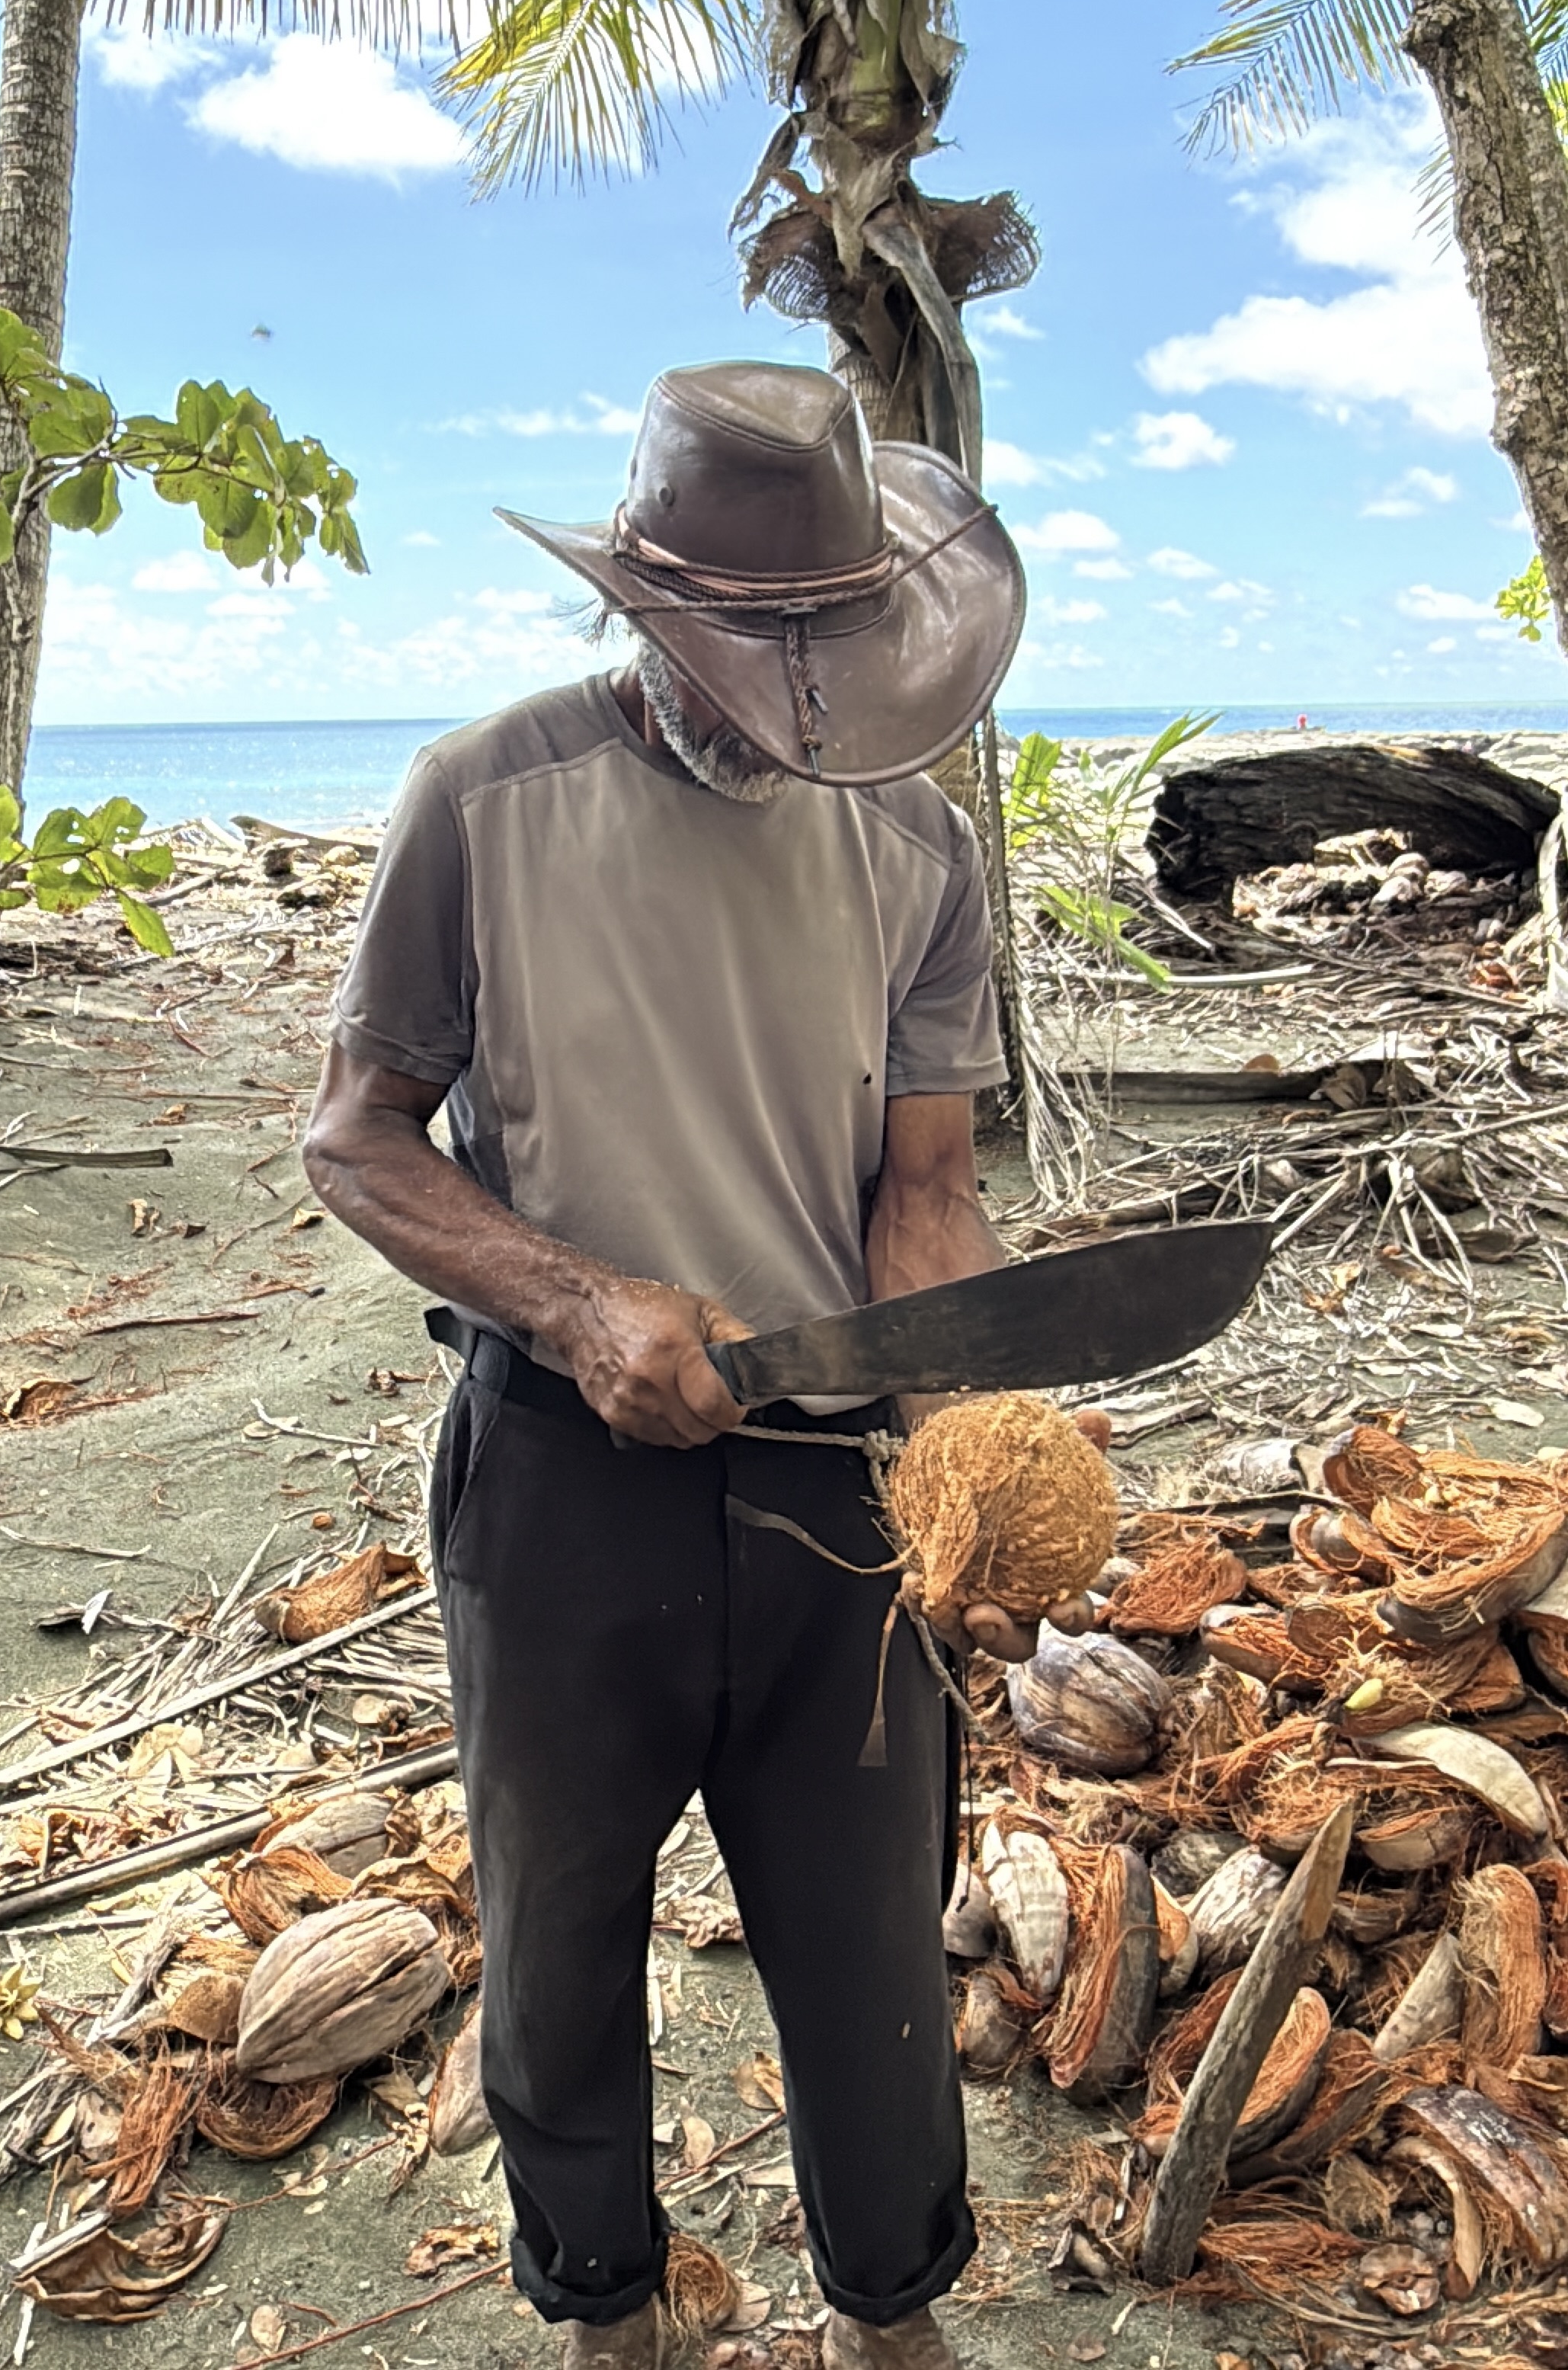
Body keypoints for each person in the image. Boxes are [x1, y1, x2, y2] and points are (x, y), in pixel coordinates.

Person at [304, 360, 1040, 2370]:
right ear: (641, 605)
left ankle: (892, 2312)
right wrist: (578, 1304)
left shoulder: (913, 852)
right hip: (560, 1482)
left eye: (825, 661)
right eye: (740, 655)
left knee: (870, 1939)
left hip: (831, 1490)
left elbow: (922, 1197)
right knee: (556, 1937)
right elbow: (354, 1136)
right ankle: (609, 2315)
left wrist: (973, 1421)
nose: (787, 715)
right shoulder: (485, 800)